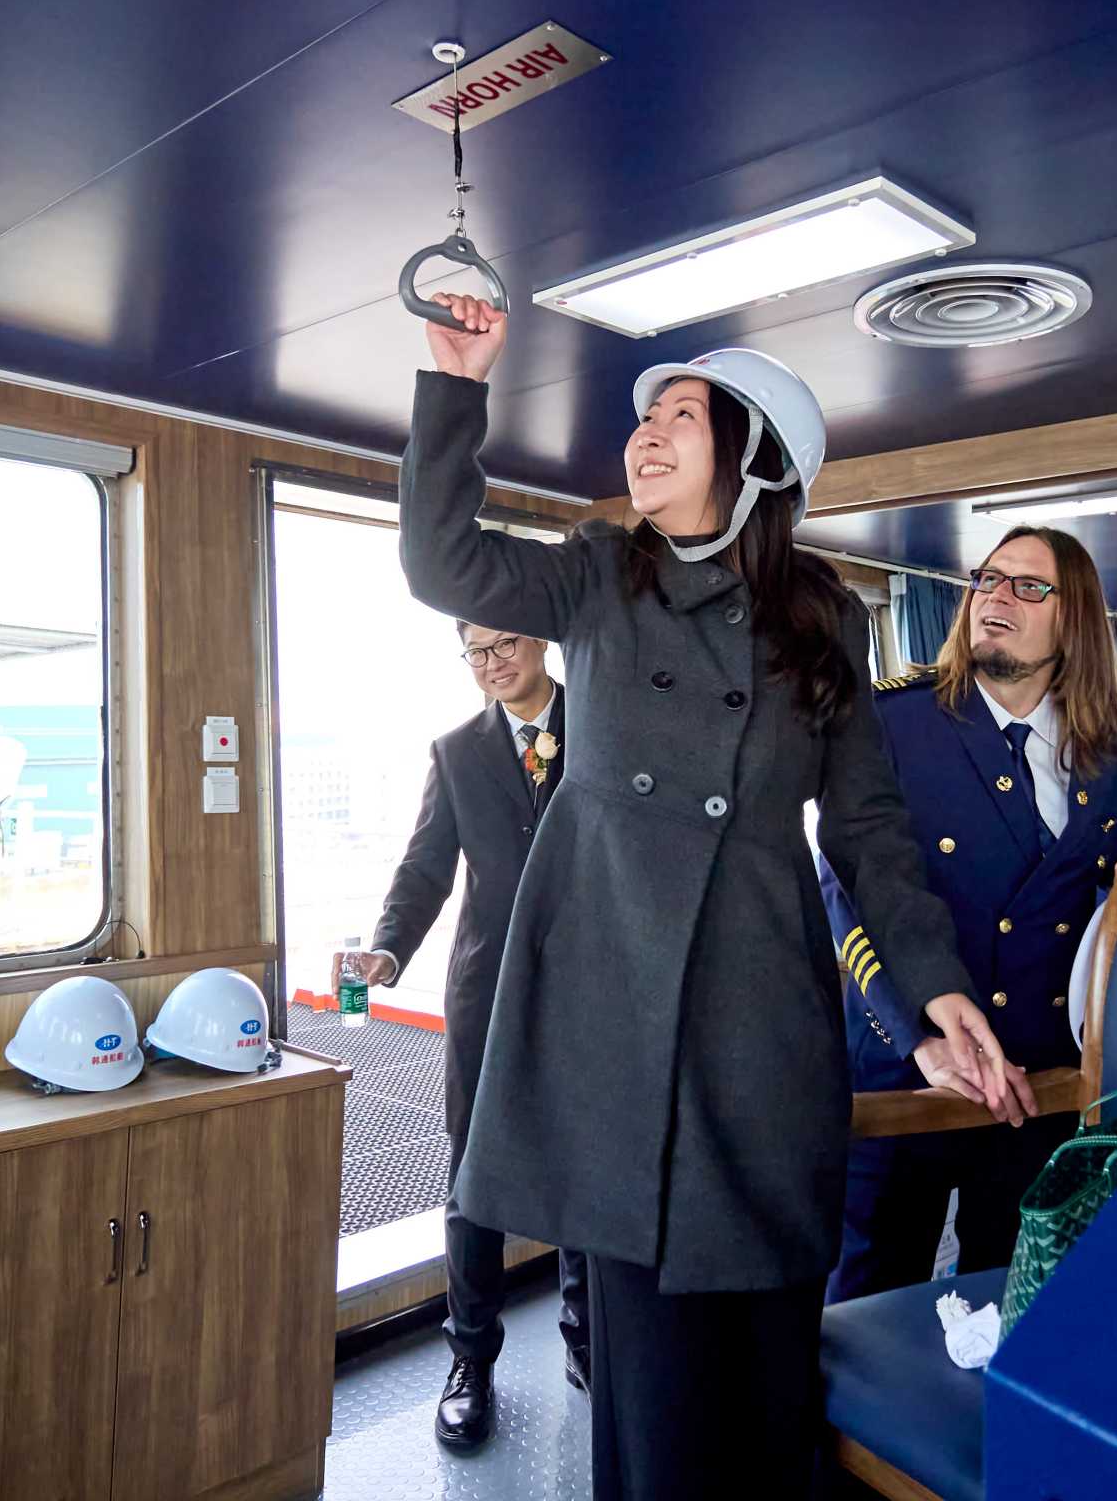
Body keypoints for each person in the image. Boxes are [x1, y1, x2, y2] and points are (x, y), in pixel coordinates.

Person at [398, 291, 1018, 1501]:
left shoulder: (823, 615)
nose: (648, 432)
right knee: (658, 1403)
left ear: (756, 460)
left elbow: (867, 827)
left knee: (771, 1381)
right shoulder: (597, 574)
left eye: (684, 415)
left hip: (758, 1019)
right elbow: (442, 560)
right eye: (648, 417)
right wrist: (459, 382)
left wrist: (933, 992)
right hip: (618, 1022)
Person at [822, 526, 1117, 1303]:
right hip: (906, 1069)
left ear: (1074, 618)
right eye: (988, 579)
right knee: (867, 1300)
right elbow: (849, 894)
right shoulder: (893, 722)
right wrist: (919, 1038)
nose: (996, 597)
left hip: (1037, 1080)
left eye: (1028, 586)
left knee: (1011, 1293)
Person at [350, 619, 591, 1444]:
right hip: (489, 990)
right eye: (477, 652)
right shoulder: (456, 752)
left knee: (591, 1164)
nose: (492, 664)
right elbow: (425, 869)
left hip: (593, 985)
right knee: (473, 1175)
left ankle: (587, 1339)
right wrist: (387, 949)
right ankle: (471, 1359)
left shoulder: (604, 723)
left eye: (505, 645)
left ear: (541, 641)